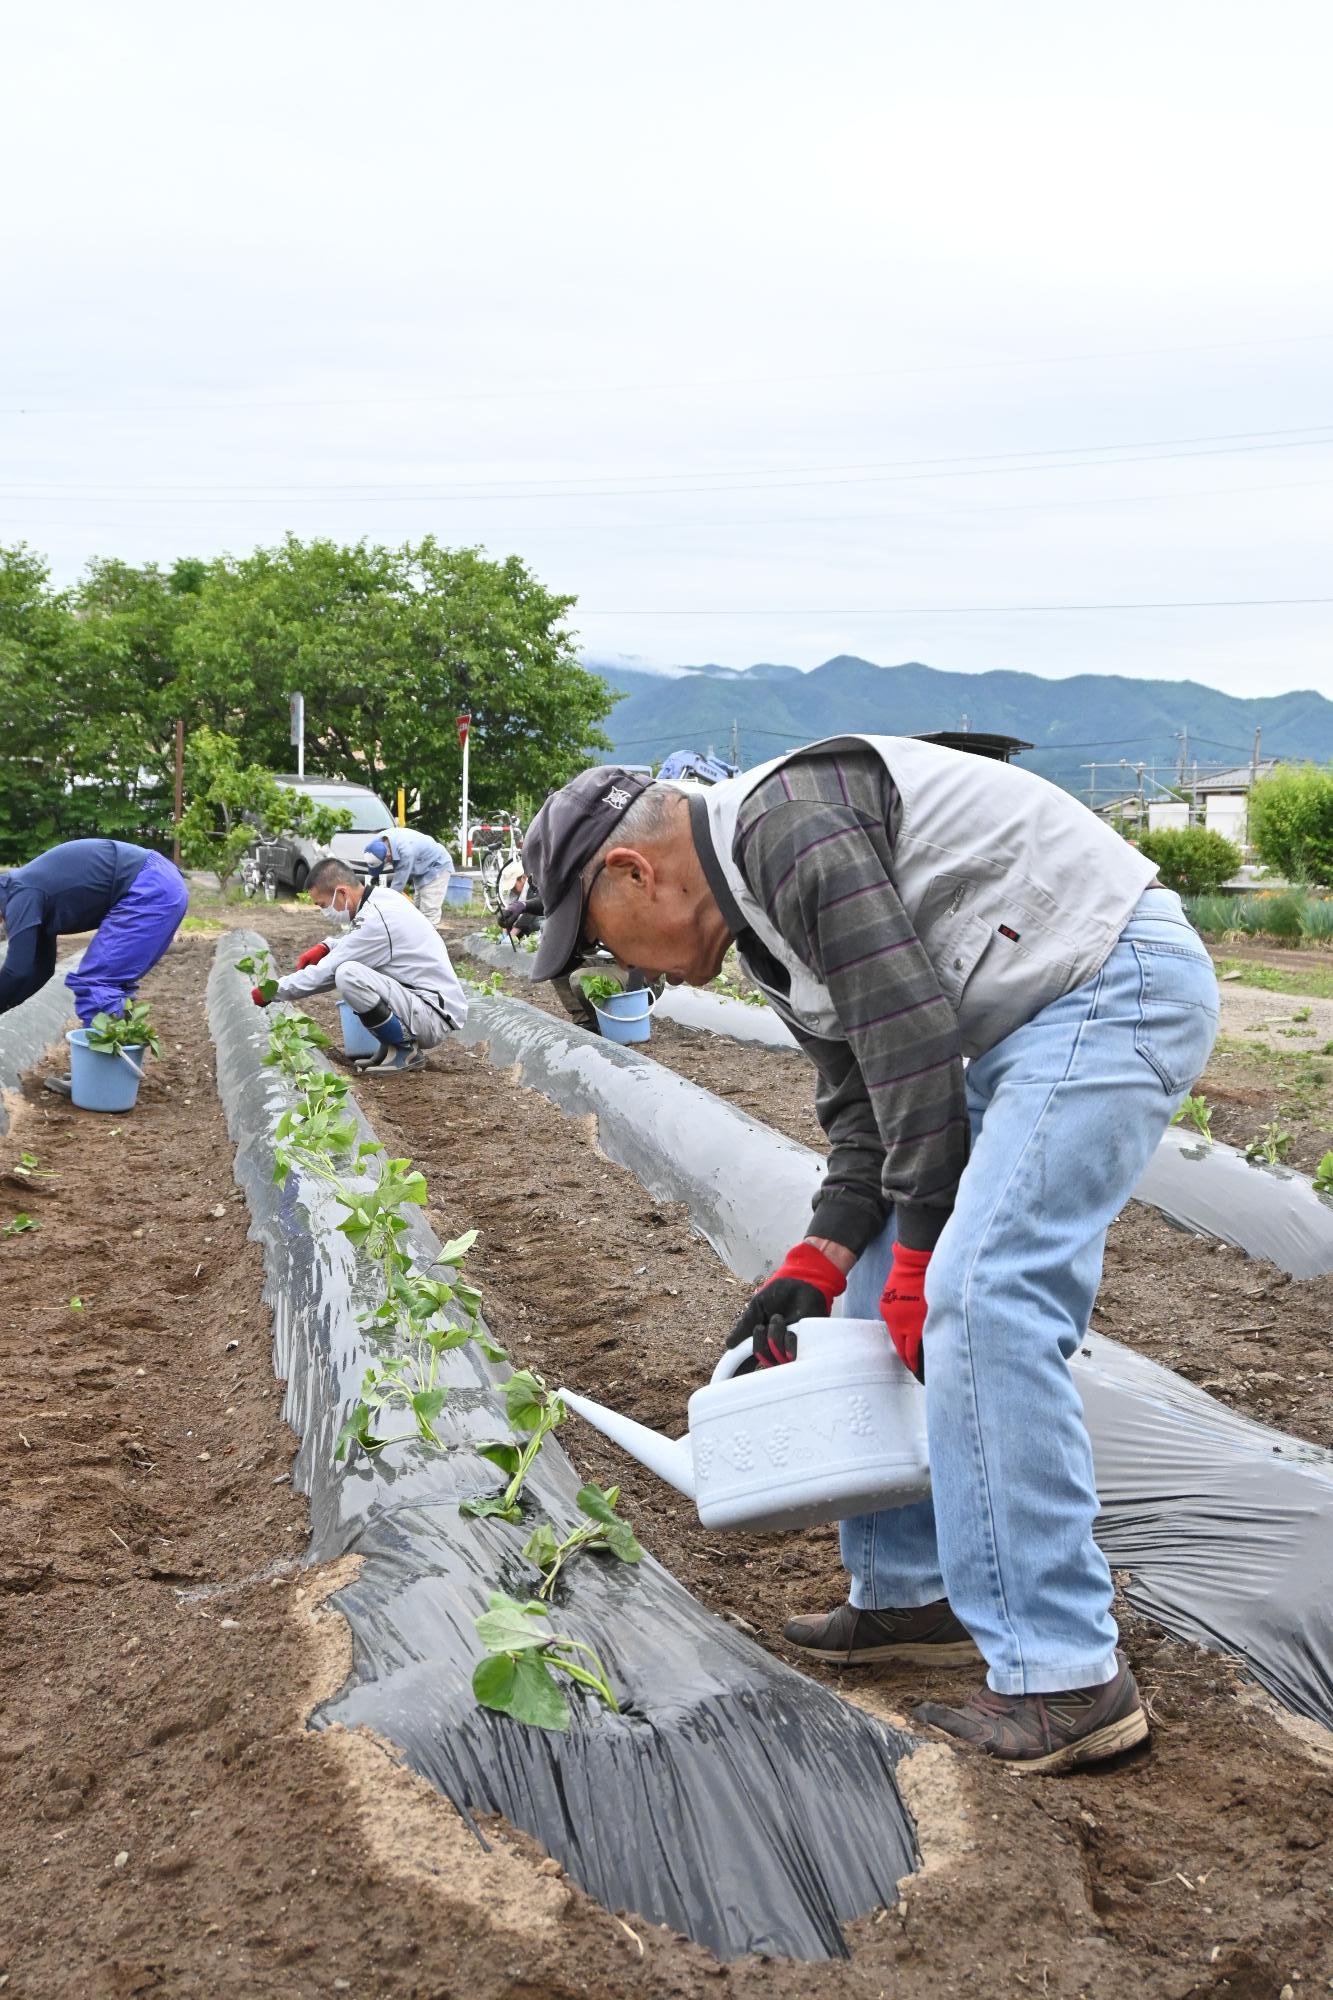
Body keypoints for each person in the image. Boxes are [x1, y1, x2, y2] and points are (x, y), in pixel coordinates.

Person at [521, 740, 1219, 1774]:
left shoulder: (789, 836)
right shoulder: (760, 922)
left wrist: (921, 1259)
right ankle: (908, 1593)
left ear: (634, 872)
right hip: (1021, 1022)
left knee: (984, 1296)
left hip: (1105, 988)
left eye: (596, 939)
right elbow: (867, 1117)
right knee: (864, 1282)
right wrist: (817, 1256)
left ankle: (1065, 1673)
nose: (617, 966)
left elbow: (920, 1054)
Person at [0, 837, 188, 1096]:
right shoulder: (26, 891)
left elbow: (16, 969)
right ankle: (101, 1072)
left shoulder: (20, 896)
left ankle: (99, 1081)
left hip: (150, 887)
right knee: (109, 979)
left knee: (97, 981)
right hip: (158, 881)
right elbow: (42, 969)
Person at [258, 857, 467, 1072]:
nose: (324, 911)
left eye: (322, 905)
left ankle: (404, 1052)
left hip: (431, 1016)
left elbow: (326, 973)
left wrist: (271, 991)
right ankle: (391, 1048)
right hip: (426, 1005)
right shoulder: (382, 899)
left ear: (342, 893)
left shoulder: (376, 918)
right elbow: (365, 942)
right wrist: (328, 947)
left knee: (348, 974)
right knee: (350, 969)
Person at [360, 825, 454, 927]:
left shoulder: (406, 852)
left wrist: (383, 908)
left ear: (388, 856)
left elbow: (396, 889)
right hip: (422, 865)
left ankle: (430, 940)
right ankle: (416, 936)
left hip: (437, 865)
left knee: (428, 910)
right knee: (417, 909)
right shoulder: (376, 843)